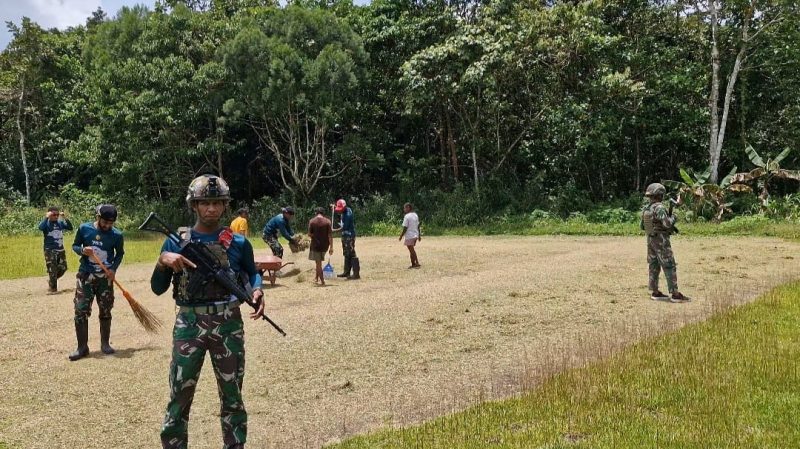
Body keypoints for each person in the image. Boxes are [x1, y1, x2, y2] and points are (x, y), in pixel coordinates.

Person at [150, 174, 265, 449]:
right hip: (189, 324)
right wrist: (163, 261)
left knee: (232, 394)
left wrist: (258, 290)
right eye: (204, 203)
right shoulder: (175, 242)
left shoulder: (238, 243)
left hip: (228, 323)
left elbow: (252, 272)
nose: (211, 208)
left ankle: (234, 444)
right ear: (194, 205)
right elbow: (157, 288)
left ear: (225, 205)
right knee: (180, 393)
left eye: (217, 203)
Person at [69, 204, 125, 361]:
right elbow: (75, 245)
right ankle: (82, 348)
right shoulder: (84, 229)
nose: (107, 226)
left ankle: (105, 344)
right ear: (98, 217)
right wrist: (82, 250)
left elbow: (120, 254)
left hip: (105, 279)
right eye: (105, 222)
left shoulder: (117, 235)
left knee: (106, 310)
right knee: (80, 310)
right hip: (86, 275)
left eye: (111, 223)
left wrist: (113, 269)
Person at [641, 183, 690, 303]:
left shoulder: (647, 208)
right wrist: (674, 217)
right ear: (660, 195)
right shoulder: (660, 208)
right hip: (661, 240)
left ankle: (655, 292)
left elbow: (642, 226)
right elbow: (667, 224)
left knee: (654, 265)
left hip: (651, 239)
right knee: (669, 265)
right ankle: (675, 294)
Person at [38, 206, 73, 294]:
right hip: (50, 250)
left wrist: (65, 217)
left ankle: (52, 280)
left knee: (63, 267)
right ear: (49, 214)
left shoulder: (60, 223)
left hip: (60, 249)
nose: (56, 216)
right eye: (54, 215)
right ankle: (53, 289)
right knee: (52, 269)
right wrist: (46, 217)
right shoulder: (47, 224)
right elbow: (41, 228)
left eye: (57, 215)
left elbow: (70, 227)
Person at [331, 199, 359, 279]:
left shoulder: (348, 215)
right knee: (346, 253)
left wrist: (334, 230)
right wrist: (334, 207)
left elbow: (344, 228)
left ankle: (356, 274)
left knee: (351, 253)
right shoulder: (346, 209)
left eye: (340, 209)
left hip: (349, 236)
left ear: (344, 207)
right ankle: (346, 272)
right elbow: (339, 209)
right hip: (345, 236)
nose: (339, 211)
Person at [308, 207, 333, 285]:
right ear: (323, 213)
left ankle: (322, 281)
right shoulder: (328, 222)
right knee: (318, 262)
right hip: (325, 246)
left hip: (316, 246)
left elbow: (309, 234)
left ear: (316, 213)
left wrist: (314, 235)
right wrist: (331, 247)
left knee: (318, 263)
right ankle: (316, 278)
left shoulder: (312, 221)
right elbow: (330, 236)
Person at [399, 202, 421, 268]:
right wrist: (419, 235)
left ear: (408, 208)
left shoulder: (407, 216)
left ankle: (415, 263)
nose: (404, 209)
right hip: (415, 234)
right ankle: (415, 263)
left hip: (410, 236)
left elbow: (405, 227)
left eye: (405, 208)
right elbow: (418, 226)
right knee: (412, 250)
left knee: (411, 250)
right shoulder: (415, 215)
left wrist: (401, 236)